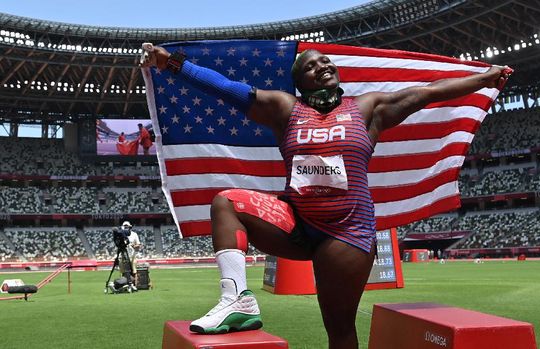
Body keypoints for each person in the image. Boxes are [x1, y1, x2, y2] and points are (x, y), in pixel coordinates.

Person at [141, 45, 510, 348]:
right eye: (311, 65)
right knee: (226, 202)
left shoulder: (367, 108)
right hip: (296, 222)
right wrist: (170, 62)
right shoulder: (286, 108)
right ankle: (236, 298)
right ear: (298, 80)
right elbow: (225, 87)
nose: (322, 66)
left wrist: (484, 79)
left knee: (339, 330)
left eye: (325, 61)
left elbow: (427, 93)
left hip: (346, 233)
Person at [120, 221, 141, 291]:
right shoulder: (120, 234)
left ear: (130, 227)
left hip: (132, 255)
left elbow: (138, 245)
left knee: (134, 271)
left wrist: (134, 246)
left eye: (127, 226)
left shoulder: (134, 234)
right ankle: (123, 285)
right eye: (124, 226)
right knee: (124, 271)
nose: (126, 228)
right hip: (124, 255)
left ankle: (135, 285)